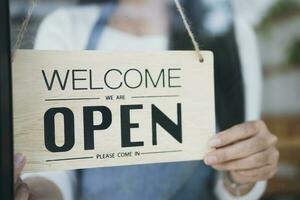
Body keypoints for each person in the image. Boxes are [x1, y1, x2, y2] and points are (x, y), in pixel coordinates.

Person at [14, 0, 279, 199]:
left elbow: (235, 170)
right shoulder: (67, 27)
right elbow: (56, 170)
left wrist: (244, 174)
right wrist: (32, 192)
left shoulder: (227, 31)